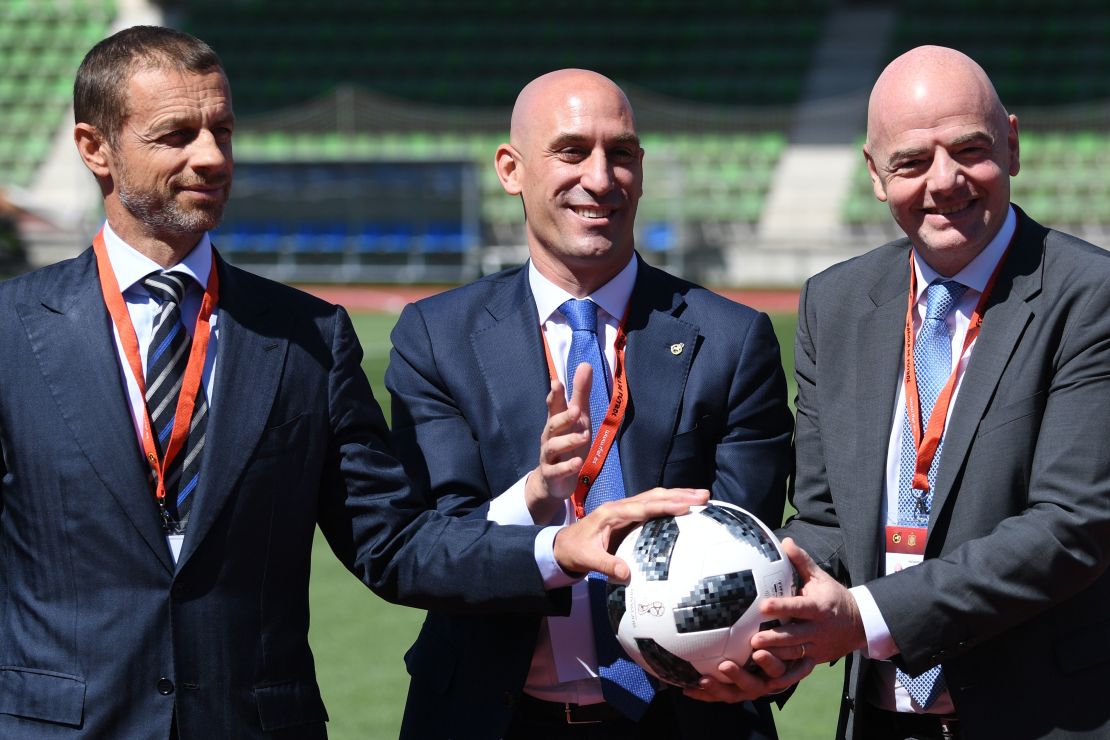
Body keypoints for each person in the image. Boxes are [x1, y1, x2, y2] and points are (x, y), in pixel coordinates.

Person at [0, 27, 711, 739]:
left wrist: (549, 546)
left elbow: (393, 543)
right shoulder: (11, 330)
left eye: (222, 130)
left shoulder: (309, 335)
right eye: (176, 135)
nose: (212, 156)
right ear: (95, 148)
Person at [707, 46, 1110, 739]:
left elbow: (1071, 527)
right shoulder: (833, 304)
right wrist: (773, 619)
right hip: (880, 718)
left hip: (1040, 717)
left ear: (1011, 144)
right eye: (912, 162)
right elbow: (827, 517)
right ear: (873, 172)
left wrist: (862, 618)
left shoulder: (1090, 297)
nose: (945, 181)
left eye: (970, 149)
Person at [385, 68, 794, 739]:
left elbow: (743, 544)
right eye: (572, 152)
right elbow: (424, 550)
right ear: (511, 170)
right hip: (491, 718)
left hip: (686, 719)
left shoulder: (731, 338)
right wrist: (537, 500)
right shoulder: (436, 338)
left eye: (622, 154)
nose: (601, 179)